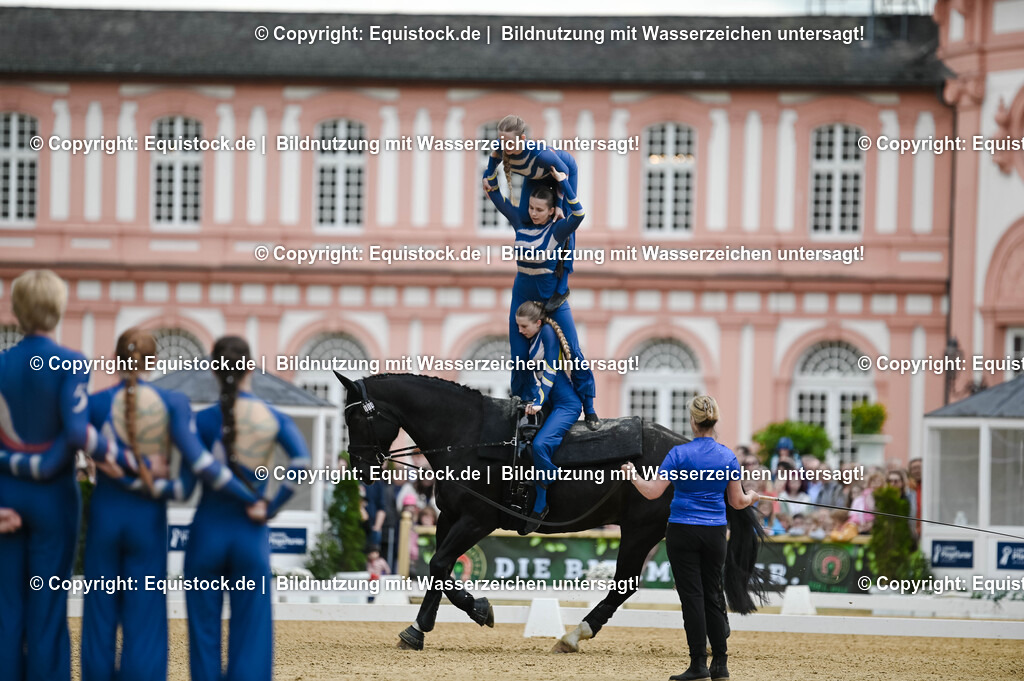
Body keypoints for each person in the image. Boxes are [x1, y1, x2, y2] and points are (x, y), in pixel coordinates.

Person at [81, 328, 262, 681]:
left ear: (116, 359)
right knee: (145, 615)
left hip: (105, 515)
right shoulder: (173, 404)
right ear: (153, 362)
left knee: (99, 612)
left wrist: (112, 464)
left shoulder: (96, 403)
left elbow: (74, 446)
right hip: (147, 518)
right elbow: (196, 468)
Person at [0, 270, 131, 681]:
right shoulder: (71, 362)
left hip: (5, 495)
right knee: (48, 608)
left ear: (17, 312)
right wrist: (117, 456)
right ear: (58, 311)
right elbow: (76, 432)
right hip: (54, 498)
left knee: (6, 607)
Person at [185, 336, 310, 681]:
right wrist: (271, 506)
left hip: (207, 530)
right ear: (250, 367)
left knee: (204, 635)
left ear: (214, 370)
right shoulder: (273, 417)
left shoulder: (202, 420)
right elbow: (301, 464)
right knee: (251, 636)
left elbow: (187, 479)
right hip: (250, 533)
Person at [622, 395, 758, 681]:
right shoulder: (727, 456)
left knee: (692, 597)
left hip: (683, 530)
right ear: (714, 421)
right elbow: (737, 502)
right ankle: (720, 664)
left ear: (693, 422)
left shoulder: (679, 453)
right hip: (715, 532)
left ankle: (698, 664)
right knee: (712, 593)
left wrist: (632, 475)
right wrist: (752, 497)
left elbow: (652, 492)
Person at [484, 148, 599, 429]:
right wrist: (493, 163)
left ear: (550, 211)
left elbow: (579, 213)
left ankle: (589, 407)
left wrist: (564, 181)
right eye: (531, 208)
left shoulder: (558, 231)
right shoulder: (520, 223)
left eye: (539, 210)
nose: (534, 214)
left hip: (553, 301)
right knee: (519, 356)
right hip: (522, 297)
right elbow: (493, 191)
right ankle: (525, 405)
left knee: (573, 351)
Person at [515, 300, 583, 533]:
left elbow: (551, 371)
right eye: (518, 326)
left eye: (523, 326)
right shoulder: (533, 338)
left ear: (538, 322)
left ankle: (545, 493)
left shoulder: (546, 333)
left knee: (541, 444)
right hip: (551, 404)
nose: (519, 331)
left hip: (566, 406)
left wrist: (539, 402)